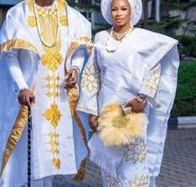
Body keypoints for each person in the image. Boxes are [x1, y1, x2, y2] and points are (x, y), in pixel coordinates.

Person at [0, 0, 91, 186]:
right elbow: (9, 55)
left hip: (60, 99)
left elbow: (80, 50)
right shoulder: (18, 13)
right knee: (32, 159)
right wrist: (22, 86)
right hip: (31, 100)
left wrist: (75, 68)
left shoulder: (71, 15)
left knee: (52, 161)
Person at [77, 0, 180, 186]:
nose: (118, 13)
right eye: (114, 9)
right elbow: (92, 74)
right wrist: (92, 111)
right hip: (107, 113)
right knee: (111, 168)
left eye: (123, 8)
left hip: (133, 110)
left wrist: (142, 98)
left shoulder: (143, 39)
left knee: (134, 166)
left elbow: (153, 69)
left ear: (132, 11)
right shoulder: (101, 38)